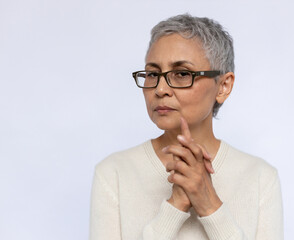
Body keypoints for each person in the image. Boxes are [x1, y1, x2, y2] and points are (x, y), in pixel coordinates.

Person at [89, 14, 283, 240]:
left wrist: (209, 204)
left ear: (223, 86)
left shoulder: (260, 178)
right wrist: (175, 206)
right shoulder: (113, 173)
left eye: (181, 74)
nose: (160, 89)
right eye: (152, 74)